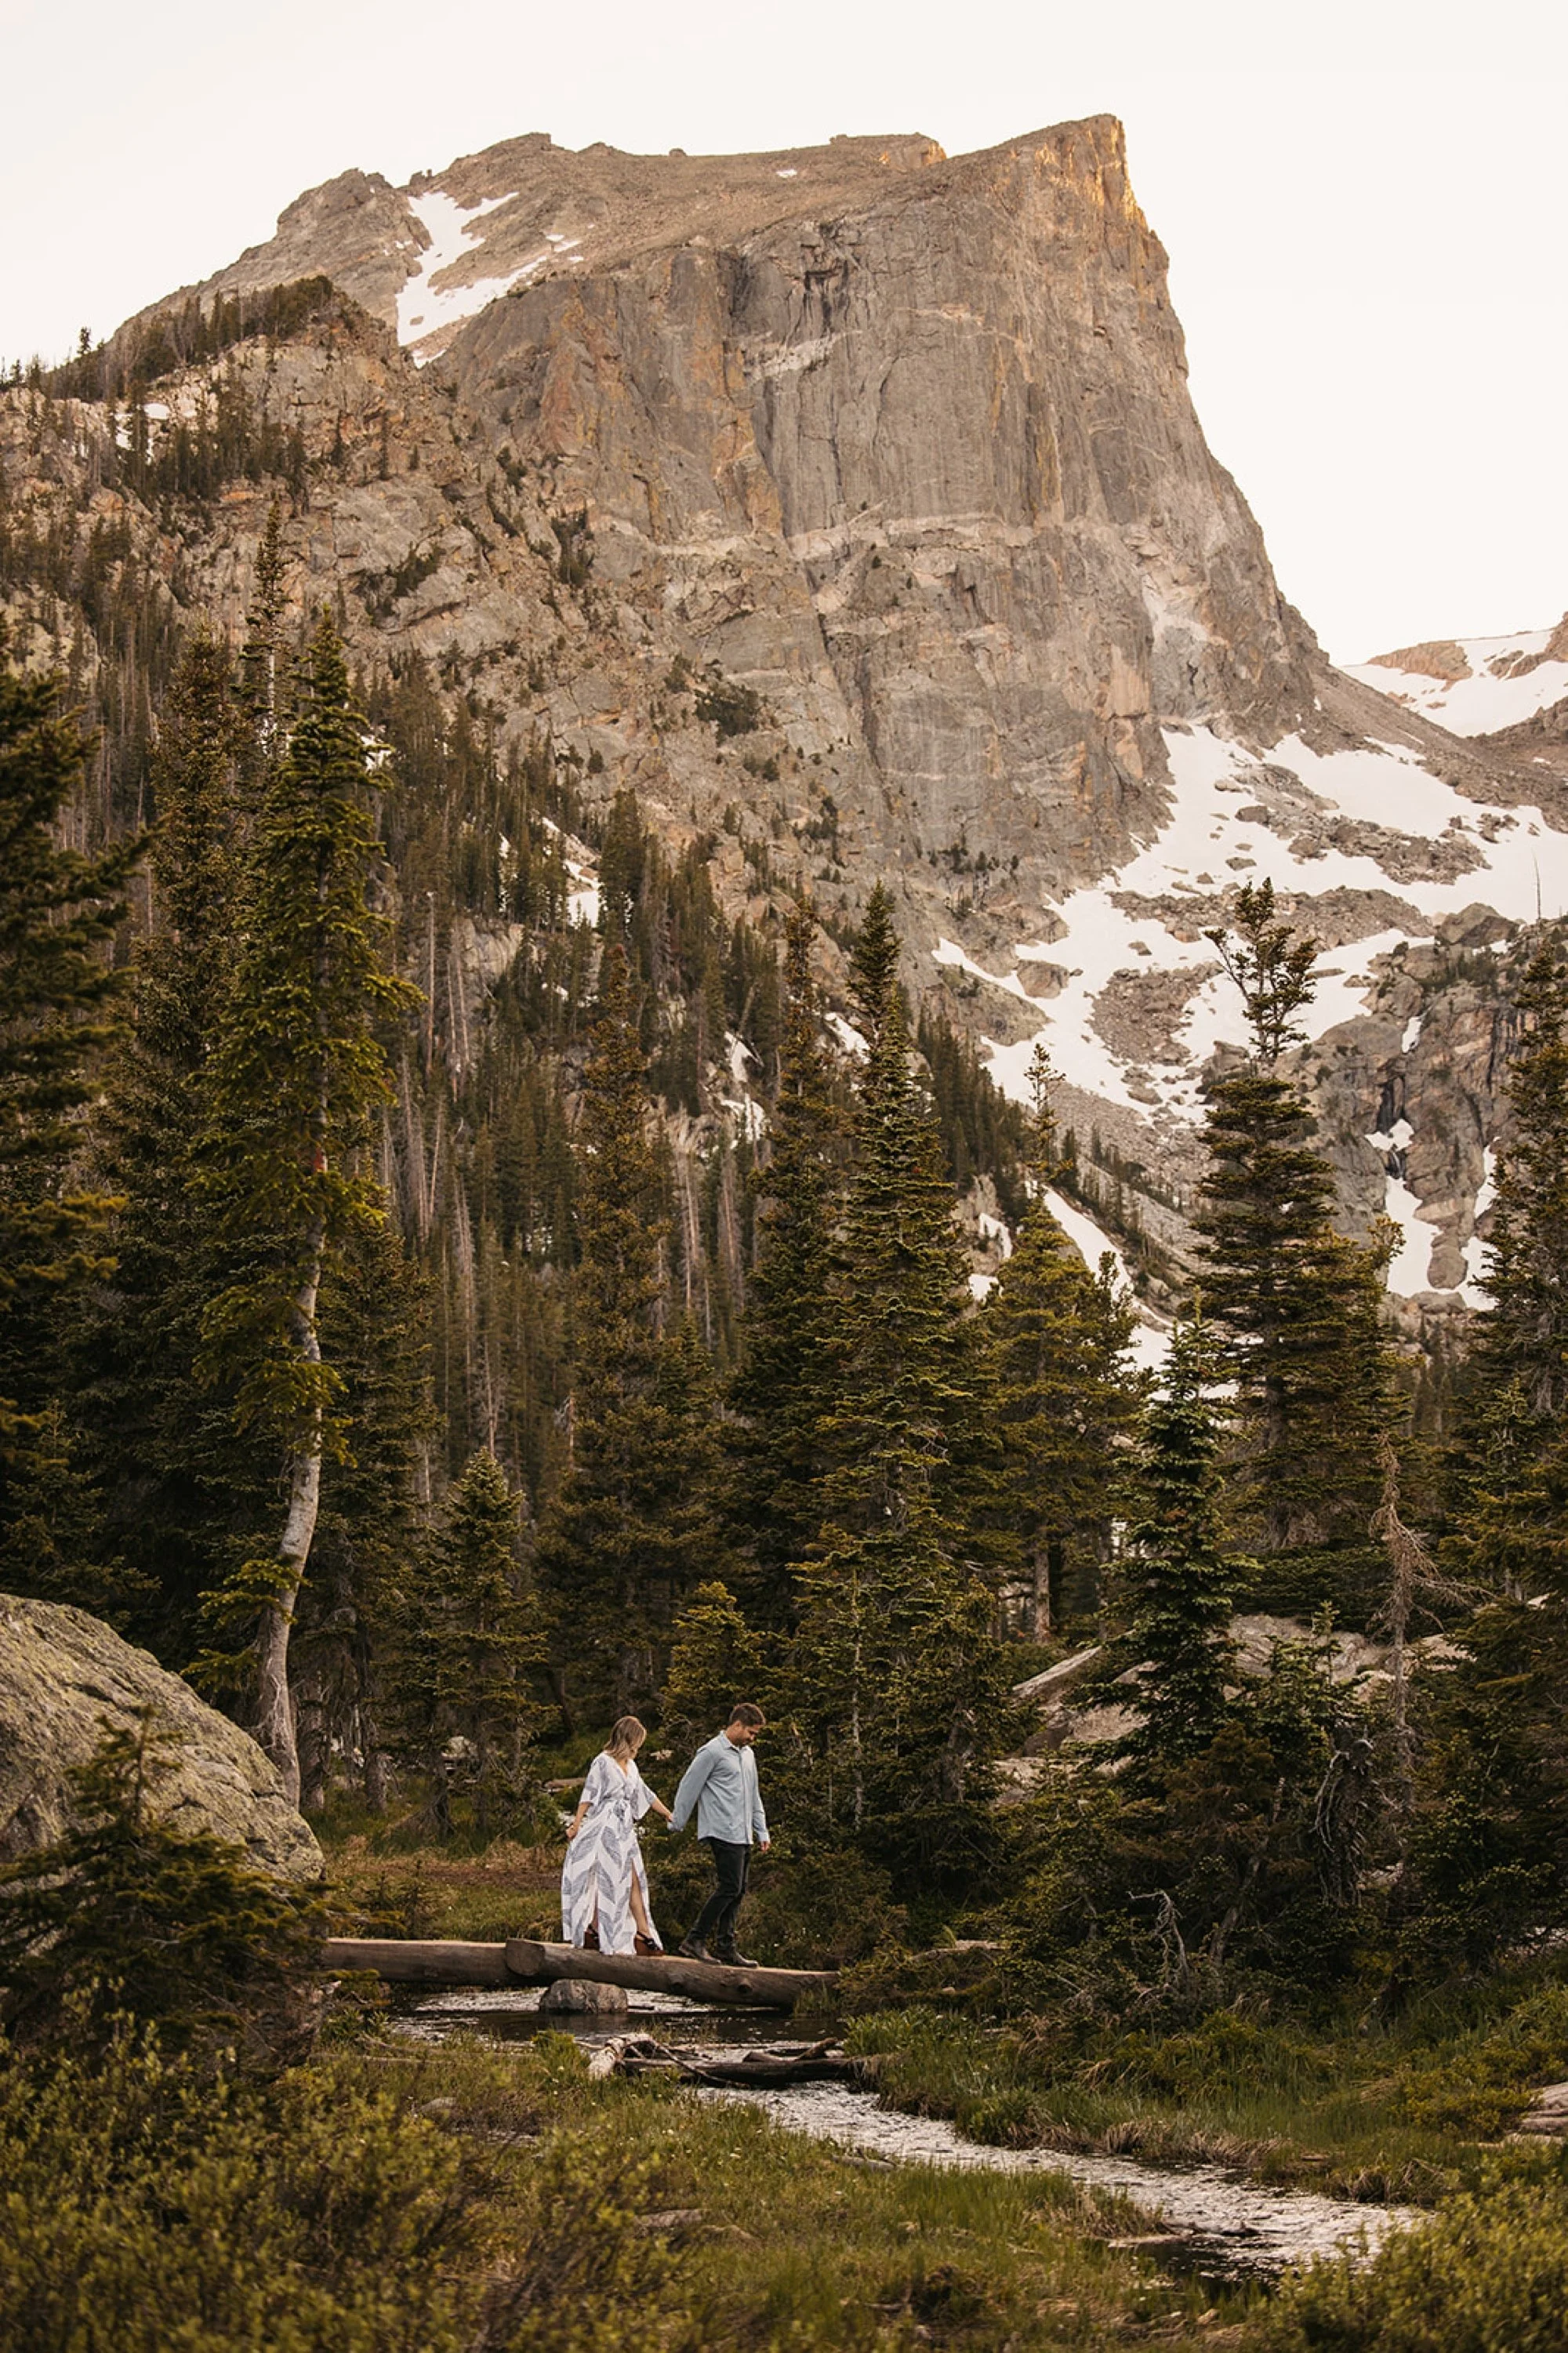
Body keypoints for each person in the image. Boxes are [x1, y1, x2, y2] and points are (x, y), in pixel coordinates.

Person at [561, 1716, 672, 1956]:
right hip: (605, 1827)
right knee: (610, 1878)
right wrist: (576, 1825)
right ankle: (606, 1930)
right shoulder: (602, 1762)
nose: (638, 1749)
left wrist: (668, 1814)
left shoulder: (631, 1767)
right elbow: (589, 1794)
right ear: (628, 1739)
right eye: (637, 1743)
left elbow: (645, 1794)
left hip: (624, 1830)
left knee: (633, 1879)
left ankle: (634, 1932)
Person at [668, 1702, 769, 1966]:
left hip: (743, 1832)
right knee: (729, 1886)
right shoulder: (711, 1752)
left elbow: (754, 1794)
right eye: (751, 1732)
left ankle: (725, 1946)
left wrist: (762, 1830)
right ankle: (695, 1939)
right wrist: (677, 1821)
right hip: (722, 1829)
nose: (752, 1739)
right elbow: (689, 1786)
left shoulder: (747, 1755)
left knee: (739, 1890)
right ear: (737, 1725)